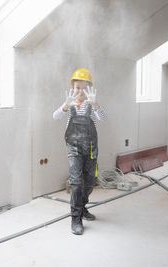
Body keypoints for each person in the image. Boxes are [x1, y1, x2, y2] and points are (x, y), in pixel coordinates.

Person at [53, 68, 107, 235]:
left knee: (90, 181)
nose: (80, 91)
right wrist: (65, 105)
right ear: (72, 88)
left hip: (90, 149)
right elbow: (55, 116)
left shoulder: (92, 105)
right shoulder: (69, 106)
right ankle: (75, 218)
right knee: (76, 182)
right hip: (74, 148)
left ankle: (82, 207)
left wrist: (96, 104)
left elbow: (104, 119)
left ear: (90, 89)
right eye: (77, 87)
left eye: (84, 88)